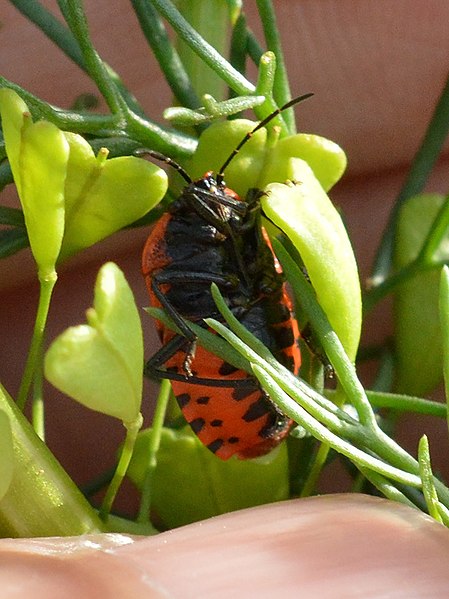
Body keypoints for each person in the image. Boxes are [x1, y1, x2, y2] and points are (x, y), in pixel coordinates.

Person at [1, 2, 449, 596]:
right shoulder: (186, 248)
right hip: (233, 390)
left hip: (230, 378)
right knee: (241, 310)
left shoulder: (203, 242)